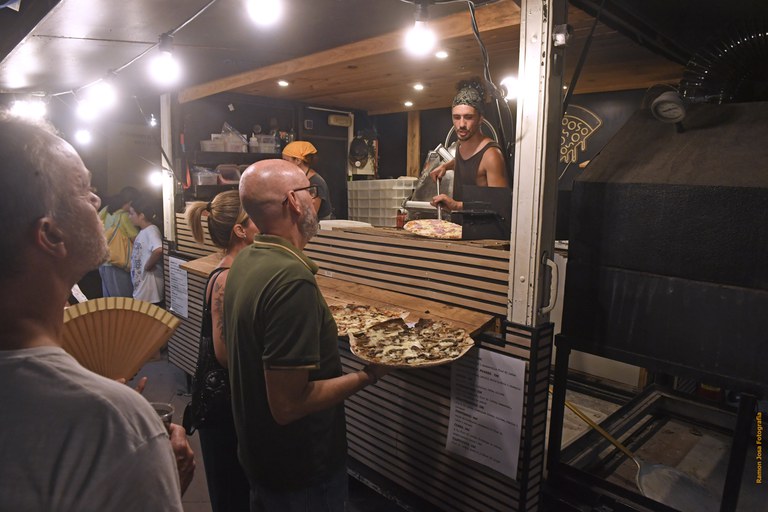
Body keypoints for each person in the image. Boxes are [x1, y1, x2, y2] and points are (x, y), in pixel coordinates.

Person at [0, 111, 193, 510]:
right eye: (83, 189)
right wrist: (156, 475)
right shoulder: (111, 423)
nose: (97, 201)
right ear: (51, 234)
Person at [224, 159, 390, 512]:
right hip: (300, 471)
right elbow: (288, 405)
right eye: (309, 191)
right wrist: (370, 374)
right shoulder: (290, 280)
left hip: (261, 458)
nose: (315, 201)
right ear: (294, 202)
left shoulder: (246, 260)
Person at [185, 191, 257, 512]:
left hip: (227, 403)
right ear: (240, 230)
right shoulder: (228, 278)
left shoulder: (237, 270)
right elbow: (225, 353)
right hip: (223, 407)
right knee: (232, 496)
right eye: (255, 217)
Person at [430, 78, 509, 212]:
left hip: (482, 226)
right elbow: (467, 163)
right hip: (459, 224)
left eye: (468, 117)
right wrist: (445, 166)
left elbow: (501, 205)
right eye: (457, 117)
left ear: (480, 119)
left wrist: (457, 206)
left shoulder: (491, 155)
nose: (461, 124)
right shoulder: (461, 147)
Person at [98, 186, 139, 297]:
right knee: (123, 302)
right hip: (118, 264)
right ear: (130, 202)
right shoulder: (124, 217)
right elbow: (137, 240)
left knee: (110, 301)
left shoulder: (105, 211)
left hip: (103, 263)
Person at [282, 140, 333, 219]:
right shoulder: (295, 178)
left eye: (286, 160)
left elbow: (311, 215)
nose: (283, 164)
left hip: (319, 224)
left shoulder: (316, 182)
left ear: (298, 161)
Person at [129, 196, 164, 306]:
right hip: (142, 289)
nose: (129, 217)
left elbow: (158, 249)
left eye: (132, 213)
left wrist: (148, 266)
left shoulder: (151, 230)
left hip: (150, 291)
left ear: (142, 215)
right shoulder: (143, 231)